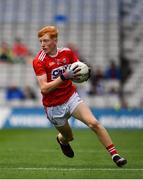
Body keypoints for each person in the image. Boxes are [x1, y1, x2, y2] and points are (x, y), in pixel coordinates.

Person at [33, 25, 127, 167]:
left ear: (55, 40)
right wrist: (64, 77)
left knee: (94, 123)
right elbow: (44, 89)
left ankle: (115, 155)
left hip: (71, 97)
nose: (42, 44)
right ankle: (62, 140)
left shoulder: (67, 53)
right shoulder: (39, 61)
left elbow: (79, 69)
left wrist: (84, 73)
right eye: (41, 41)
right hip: (53, 107)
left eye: (46, 41)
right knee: (69, 137)